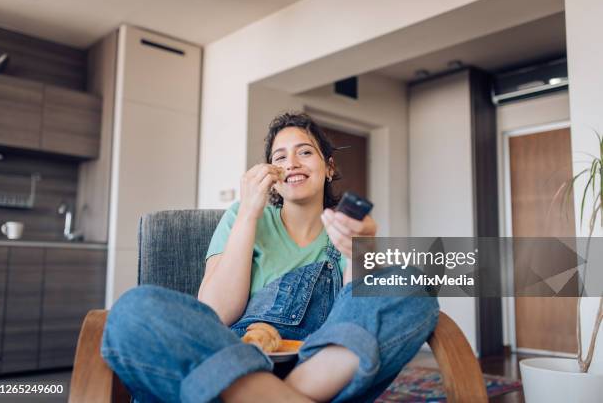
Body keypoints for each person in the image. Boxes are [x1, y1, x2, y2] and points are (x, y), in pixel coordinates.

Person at [101, 112, 439, 403]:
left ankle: (281, 394)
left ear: (329, 167)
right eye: (279, 157)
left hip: (320, 368)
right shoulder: (243, 217)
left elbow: (355, 320)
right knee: (133, 310)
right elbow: (216, 313)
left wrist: (361, 251)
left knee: (415, 286)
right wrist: (249, 211)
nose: (291, 163)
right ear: (271, 175)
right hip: (235, 356)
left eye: (305, 152)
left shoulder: (347, 227)